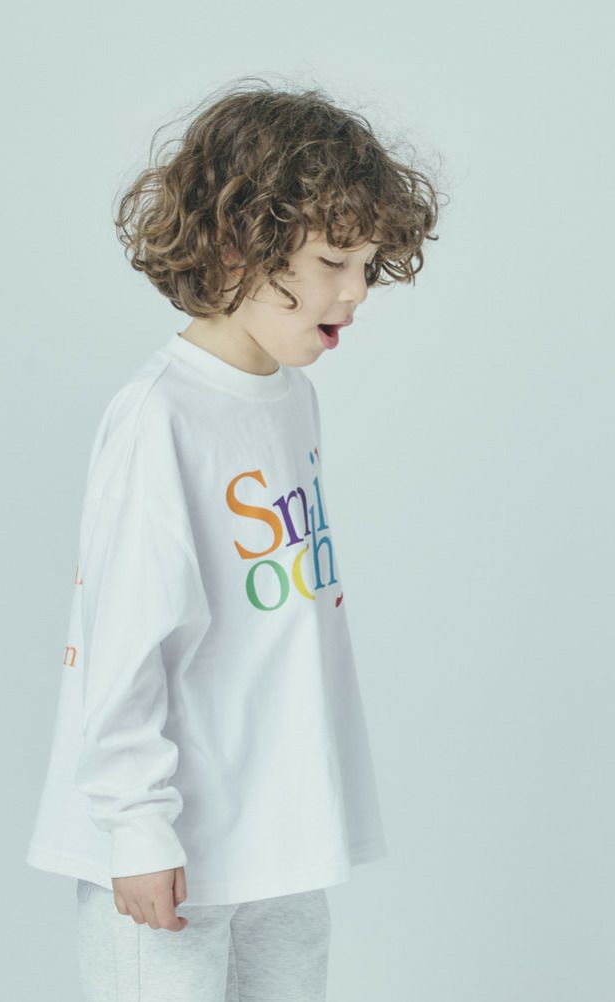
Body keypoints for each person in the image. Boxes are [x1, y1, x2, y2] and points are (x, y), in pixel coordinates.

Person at [25, 77, 443, 1001]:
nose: (357, 292)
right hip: (171, 851)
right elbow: (123, 638)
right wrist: (137, 826)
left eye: (368, 263)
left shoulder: (292, 401)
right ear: (234, 244)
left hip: (280, 837)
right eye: (334, 259)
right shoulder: (161, 418)